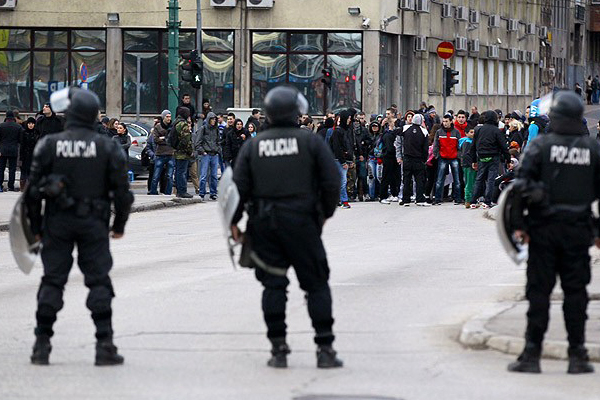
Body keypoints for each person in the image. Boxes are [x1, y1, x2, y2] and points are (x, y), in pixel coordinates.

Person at [231, 86, 342, 369]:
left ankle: (278, 349)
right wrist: (323, 215)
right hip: (303, 222)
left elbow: (238, 189)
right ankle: (325, 349)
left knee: (273, 286)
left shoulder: (253, 145)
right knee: (316, 284)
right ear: (295, 112)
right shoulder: (310, 142)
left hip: (265, 224)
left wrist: (233, 222)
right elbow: (331, 182)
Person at [25, 87, 133, 366]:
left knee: (52, 281)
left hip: (57, 223)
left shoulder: (49, 144)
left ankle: (41, 344)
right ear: (93, 115)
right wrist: (119, 224)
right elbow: (122, 192)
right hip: (93, 223)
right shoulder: (107, 146)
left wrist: (35, 228)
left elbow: (32, 193)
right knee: (98, 281)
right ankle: (104, 345)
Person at [507, 90, 600, 374]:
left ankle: (531, 355)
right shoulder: (592, 149)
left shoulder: (541, 146)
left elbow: (519, 187)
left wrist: (519, 226)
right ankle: (577, 356)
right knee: (576, 295)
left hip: (543, 231)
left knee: (539, 294)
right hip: (578, 232)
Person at [469, 110, 510, 208]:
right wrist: (508, 160)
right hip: (493, 157)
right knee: (491, 179)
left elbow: (473, 146)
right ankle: (487, 202)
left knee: (479, 178)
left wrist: (474, 160)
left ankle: (473, 201)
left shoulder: (478, 130)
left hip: (481, 157)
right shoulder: (497, 130)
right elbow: (504, 147)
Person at [399, 114, 429, 206]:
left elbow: (396, 133)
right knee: (419, 180)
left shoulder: (405, 128)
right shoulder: (424, 131)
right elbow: (425, 148)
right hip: (418, 159)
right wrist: (424, 159)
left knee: (406, 180)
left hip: (407, 158)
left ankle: (405, 199)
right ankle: (419, 199)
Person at [432, 114, 462, 205]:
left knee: (457, 180)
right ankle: (438, 199)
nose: (444, 123)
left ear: (451, 121)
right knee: (439, 179)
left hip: (454, 157)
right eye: (443, 121)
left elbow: (459, 145)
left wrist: (458, 155)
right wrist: (437, 155)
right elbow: (436, 144)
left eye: (446, 121)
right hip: (443, 157)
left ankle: (457, 198)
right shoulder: (439, 132)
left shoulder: (456, 132)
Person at [149, 110, 174, 195]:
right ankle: (153, 192)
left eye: (170, 116)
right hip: (160, 153)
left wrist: (163, 138)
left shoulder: (172, 126)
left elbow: (173, 139)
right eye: (167, 116)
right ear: (163, 117)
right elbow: (155, 139)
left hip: (170, 153)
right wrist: (165, 140)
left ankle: (168, 193)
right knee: (156, 175)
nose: (169, 118)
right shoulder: (158, 127)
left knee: (170, 176)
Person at [196, 112, 221, 200]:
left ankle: (213, 193)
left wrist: (218, 149)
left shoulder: (216, 129)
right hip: (206, 154)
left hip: (214, 154)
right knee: (203, 175)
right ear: (208, 119)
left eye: (215, 119)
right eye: (212, 119)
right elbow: (198, 142)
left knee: (214, 175)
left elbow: (218, 141)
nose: (214, 121)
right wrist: (203, 151)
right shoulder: (203, 129)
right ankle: (201, 193)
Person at [331, 110, 352, 208]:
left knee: (342, 181)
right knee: (342, 181)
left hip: (344, 160)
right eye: (348, 118)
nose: (349, 120)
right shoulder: (338, 131)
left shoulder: (345, 131)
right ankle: (344, 200)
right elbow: (337, 147)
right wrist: (343, 161)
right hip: (338, 160)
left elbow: (348, 146)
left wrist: (350, 159)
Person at [173, 107, 194, 198]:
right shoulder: (183, 124)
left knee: (178, 171)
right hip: (183, 152)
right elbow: (186, 140)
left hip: (177, 151)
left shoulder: (176, 122)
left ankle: (178, 191)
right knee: (182, 172)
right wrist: (190, 151)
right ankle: (182, 191)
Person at [0, 110, 24, 192]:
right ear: (13, 117)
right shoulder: (18, 127)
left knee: (1, 168)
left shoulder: (1, 126)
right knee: (12, 169)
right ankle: (11, 186)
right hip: (13, 149)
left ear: (6, 116)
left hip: (2, 150)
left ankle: (0, 185)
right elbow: (21, 140)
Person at [19, 117, 39, 191]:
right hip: (25, 155)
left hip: (33, 155)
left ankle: (31, 187)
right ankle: (23, 187)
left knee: (32, 172)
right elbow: (22, 146)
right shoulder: (24, 133)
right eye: (29, 123)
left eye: (32, 123)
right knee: (24, 171)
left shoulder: (36, 133)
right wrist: (21, 157)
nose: (31, 125)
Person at [459, 128, 476, 208]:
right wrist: (472, 163)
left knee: (469, 182)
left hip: (466, 164)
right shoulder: (468, 142)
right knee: (469, 182)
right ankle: (468, 200)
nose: (473, 134)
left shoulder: (464, 142)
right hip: (469, 165)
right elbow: (466, 155)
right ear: (466, 133)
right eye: (471, 132)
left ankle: (469, 199)